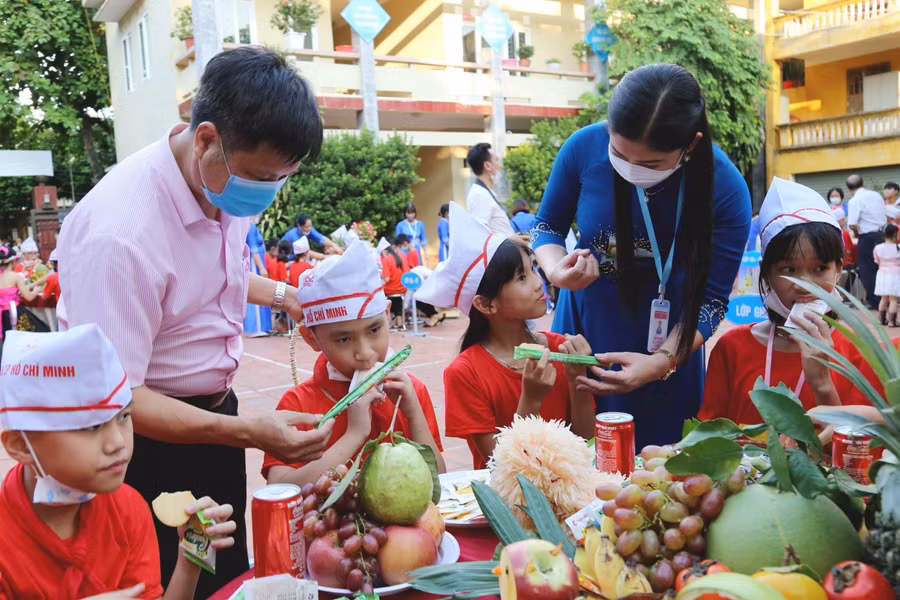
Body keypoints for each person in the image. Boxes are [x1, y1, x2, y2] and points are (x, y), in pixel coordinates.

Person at [56, 47, 335, 596]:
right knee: (165, 581)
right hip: (141, 448)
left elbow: (209, 275)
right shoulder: (120, 234)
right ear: (206, 138)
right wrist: (248, 432)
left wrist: (288, 296)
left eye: (282, 178)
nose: (267, 191)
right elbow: (119, 398)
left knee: (223, 577)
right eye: (261, 176)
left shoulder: (219, 183)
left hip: (215, 423)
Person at [532, 64, 751, 449]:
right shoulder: (583, 148)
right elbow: (547, 226)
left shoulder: (725, 188)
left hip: (671, 349)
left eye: (650, 165)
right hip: (582, 337)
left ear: (692, 145)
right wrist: (555, 270)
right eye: (618, 154)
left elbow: (713, 302)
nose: (630, 170)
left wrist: (661, 362)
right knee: (569, 460)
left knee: (660, 469)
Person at [0, 325, 238, 599]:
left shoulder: (127, 508)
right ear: (20, 445)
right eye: (90, 426)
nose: (118, 443)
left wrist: (190, 560)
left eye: (124, 417)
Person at [416, 203, 595, 469]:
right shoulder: (464, 373)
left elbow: (586, 444)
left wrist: (577, 381)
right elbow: (498, 465)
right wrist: (531, 399)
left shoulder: (559, 349)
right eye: (521, 277)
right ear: (486, 304)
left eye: (533, 269)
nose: (538, 283)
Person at [698, 178, 872, 440]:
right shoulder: (732, 348)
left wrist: (822, 384)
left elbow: (857, 454)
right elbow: (708, 439)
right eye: (789, 269)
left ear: (838, 269)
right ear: (767, 273)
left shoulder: (858, 354)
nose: (804, 285)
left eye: (820, 268)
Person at [263, 241, 445, 486]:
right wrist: (354, 435)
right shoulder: (298, 404)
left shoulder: (411, 391)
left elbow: (439, 481)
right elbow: (279, 488)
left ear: (387, 314)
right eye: (344, 339)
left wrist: (413, 414)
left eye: (374, 330)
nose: (365, 353)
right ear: (311, 338)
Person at [846, 174, 887, 310]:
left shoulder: (854, 201)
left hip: (867, 237)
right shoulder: (876, 195)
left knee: (867, 270)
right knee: (882, 268)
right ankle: (886, 299)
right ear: (862, 184)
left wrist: (856, 234)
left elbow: (852, 224)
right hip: (882, 235)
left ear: (849, 189)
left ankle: (875, 301)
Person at [465, 143, 516, 236]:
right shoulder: (480, 195)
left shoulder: (483, 192)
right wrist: (512, 239)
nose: (500, 165)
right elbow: (479, 234)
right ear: (487, 166)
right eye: (496, 160)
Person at [0, 245, 38, 342]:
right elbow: (29, 297)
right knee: (38, 331)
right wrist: (36, 290)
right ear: (13, 262)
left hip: (2, 314)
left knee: (6, 340)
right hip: (13, 312)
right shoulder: (16, 276)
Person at [244, 216, 272, 337]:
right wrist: (261, 267)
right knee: (257, 291)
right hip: (254, 264)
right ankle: (256, 327)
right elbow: (253, 249)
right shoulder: (251, 226)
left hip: (257, 261)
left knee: (260, 291)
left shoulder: (250, 225)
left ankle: (263, 326)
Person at [875, 223, 900, 327]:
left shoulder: (878, 248)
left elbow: (877, 261)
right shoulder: (898, 248)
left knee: (883, 299)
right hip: (895, 276)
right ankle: (892, 321)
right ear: (895, 234)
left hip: (882, 275)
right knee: (894, 300)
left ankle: (882, 319)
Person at [381, 238, 409, 330]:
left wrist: (382, 275)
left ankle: (390, 319)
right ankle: (398, 318)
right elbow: (407, 273)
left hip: (391, 290)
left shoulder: (386, 260)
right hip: (403, 289)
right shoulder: (403, 257)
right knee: (396, 297)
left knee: (380, 294)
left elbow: (387, 279)